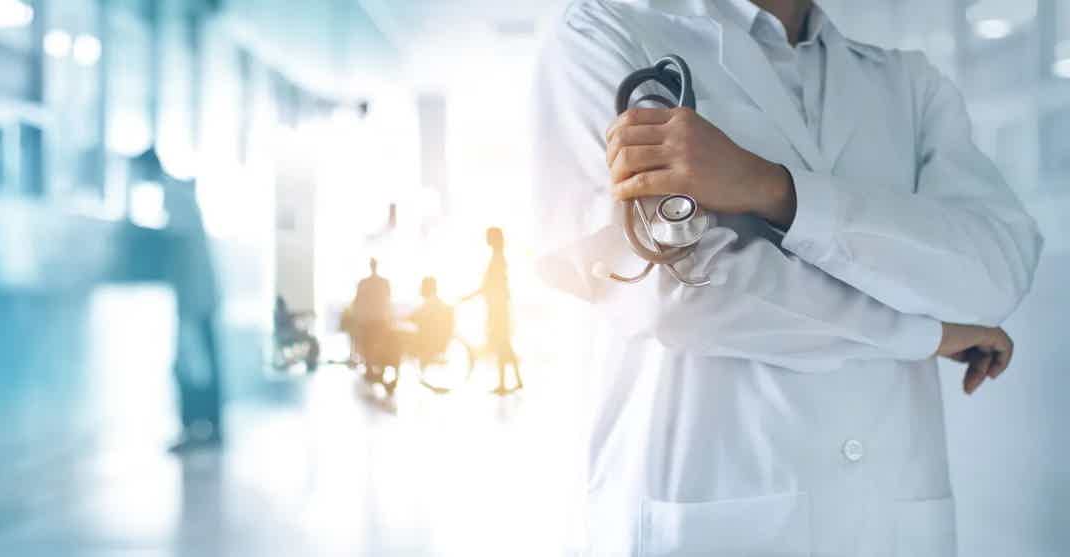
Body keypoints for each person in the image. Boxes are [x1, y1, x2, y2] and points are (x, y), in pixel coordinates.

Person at [531, 1, 1043, 555]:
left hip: (891, 518)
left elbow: (996, 270)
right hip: (711, 511)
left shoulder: (908, 82)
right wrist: (925, 333)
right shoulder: (606, 30)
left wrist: (773, 189)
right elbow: (674, 294)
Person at [130, 147, 224, 452]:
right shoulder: (179, 192)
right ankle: (207, 429)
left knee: (193, 365)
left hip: (194, 296)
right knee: (201, 362)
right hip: (198, 294)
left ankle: (197, 429)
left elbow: (174, 241)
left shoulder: (174, 195)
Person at [464, 228, 522, 394]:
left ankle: (504, 383)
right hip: (499, 307)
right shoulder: (498, 258)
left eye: (488, 237)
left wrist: (468, 297)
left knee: (501, 344)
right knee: (505, 345)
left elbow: (489, 286)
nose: (486, 240)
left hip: (497, 309)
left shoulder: (497, 259)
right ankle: (516, 381)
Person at [350, 258, 395, 377]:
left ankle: (371, 366)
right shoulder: (383, 282)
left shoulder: (364, 283)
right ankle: (374, 366)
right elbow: (388, 302)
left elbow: (357, 303)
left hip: (371, 321)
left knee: (369, 344)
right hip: (377, 321)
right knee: (373, 343)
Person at [408, 277, 455, 364]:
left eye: (422, 287)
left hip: (427, 342)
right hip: (439, 342)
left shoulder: (429, 305)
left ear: (426, 288)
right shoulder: (440, 304)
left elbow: (414, 317)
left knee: (400, 338)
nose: (420, 290)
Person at [274, 295, 320, 371]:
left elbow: (293, 314)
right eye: (282, 304)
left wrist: (305, 313)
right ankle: (311, 363)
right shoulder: (278, 314)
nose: (284, 306)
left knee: (312, 340)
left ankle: (310, 362)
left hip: (289, 336)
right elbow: (291, 315)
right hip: (287, 337)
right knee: (312, 340)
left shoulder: (283, 314)